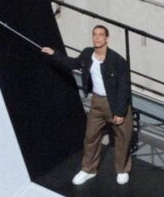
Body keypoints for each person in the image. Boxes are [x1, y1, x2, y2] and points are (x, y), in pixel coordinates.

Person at [41, 25, 133, 185]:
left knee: (123, 138)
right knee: (91, 136)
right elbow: (73, 63)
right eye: (94, 35)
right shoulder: (87, 54)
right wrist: (53, 54)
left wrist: (120, 111)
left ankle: (122, 170)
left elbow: (124, 88)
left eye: (101, 35)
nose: (97, 38)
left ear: (107, 39)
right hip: (97, 102)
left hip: (115, 103)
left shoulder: (118, 61)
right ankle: (88, 169)